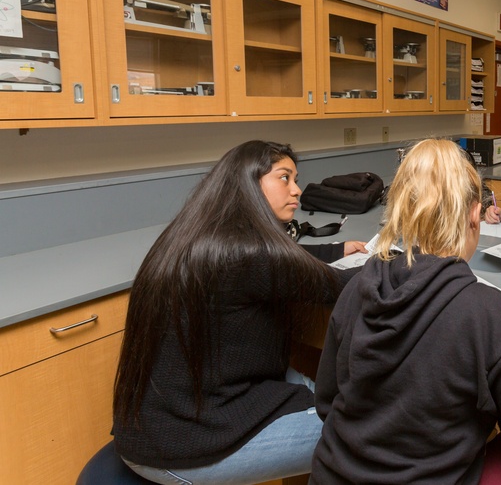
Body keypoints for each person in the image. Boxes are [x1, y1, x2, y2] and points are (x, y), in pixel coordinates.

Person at [310, 139, 501, 485]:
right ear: (475, 214)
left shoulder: (358, 287)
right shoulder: (487, 313)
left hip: (331, 475)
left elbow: (326, 402)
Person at [112, 140, 367, 485]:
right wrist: (406, 260)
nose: (297, 190)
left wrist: (334, 248)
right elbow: (338, 285)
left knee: (314, 385)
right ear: (249, 181)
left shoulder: (205, 235)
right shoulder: (249, 254)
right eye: (284, 178)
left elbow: (285, 258)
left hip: (156, 425)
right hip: (183, 446)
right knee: (370, 430)